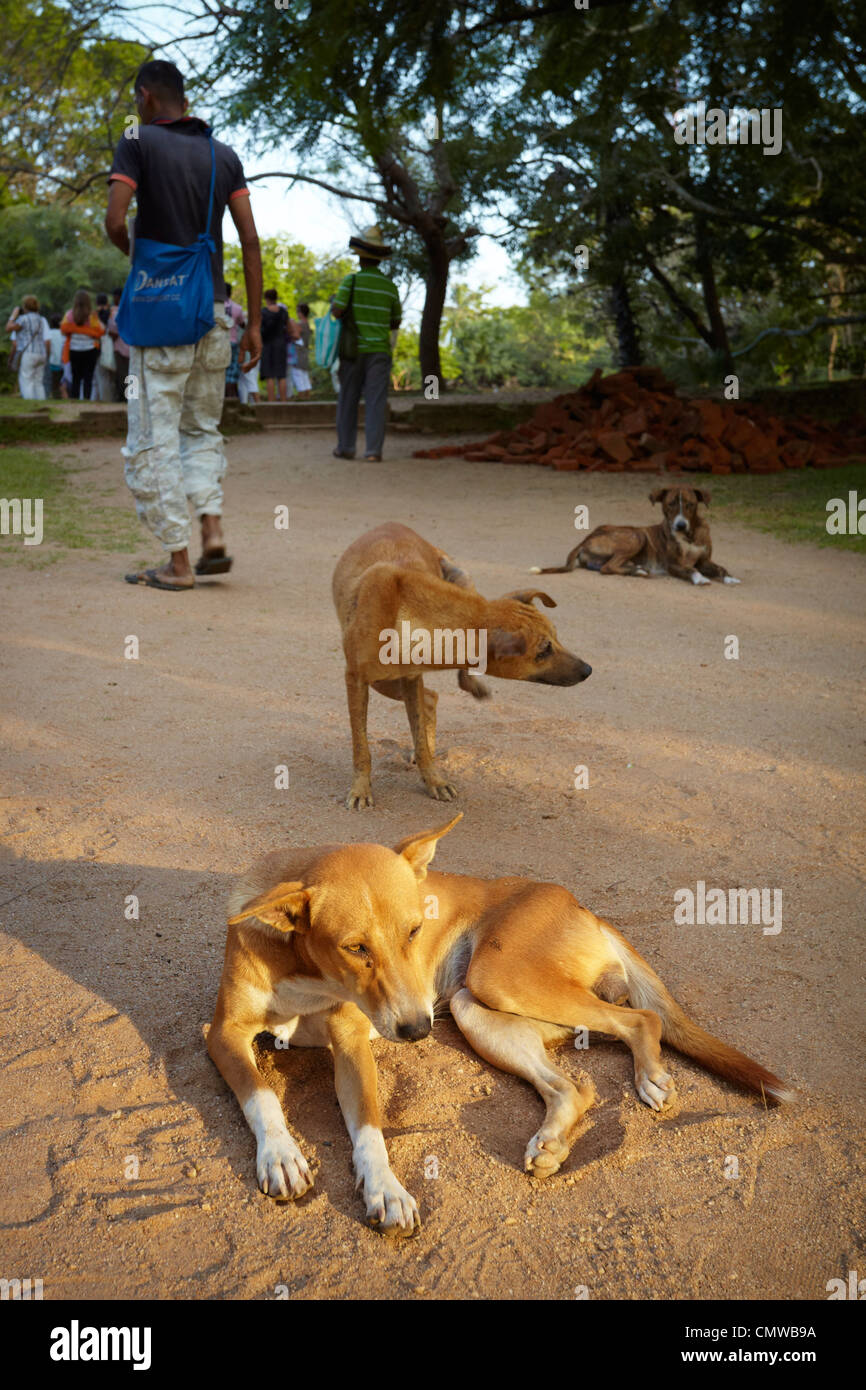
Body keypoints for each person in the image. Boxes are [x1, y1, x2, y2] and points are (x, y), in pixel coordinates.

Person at [104, 59, 262, 591]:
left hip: (162, 314)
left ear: (145, 97)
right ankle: (212, 530)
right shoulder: (224, 156)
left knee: (153, 438)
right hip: (214, 315)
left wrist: (138, 258)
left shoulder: (138, 142)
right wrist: (255, 325)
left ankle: (177, 562)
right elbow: (250, 241)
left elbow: (114, 219)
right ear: (183, 98)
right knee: (201, 429)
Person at [331, 225, 401, 461]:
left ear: (361, 258)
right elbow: (395, 322)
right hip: (380, 351)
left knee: (348, 399)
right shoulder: (391, 288)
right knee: (376, 402)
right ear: (380, 260)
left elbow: (337, 312)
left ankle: (346, 447)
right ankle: (373, 452)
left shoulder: (350, 282)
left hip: (353, 351)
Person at [61, 291, 105, 400]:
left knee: (76, 377)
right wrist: (88, 331)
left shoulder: (69, 315)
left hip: (74, 349)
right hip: (90, 349)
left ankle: (74, 400)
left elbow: (64, 329)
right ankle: (86, 399)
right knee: (88, 378)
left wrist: (76, 330)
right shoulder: (92, 316)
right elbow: (100, 331)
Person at [5, 296, 50, 400]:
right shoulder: (41, 319)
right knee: (38, 382)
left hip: (29, 353)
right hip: (41, 353)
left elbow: (8, 328)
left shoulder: (23, 319)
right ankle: (41, 403)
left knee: (26, 380)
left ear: (25, 306)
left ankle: (30, 404)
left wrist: (13, 316)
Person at [259, 289, 288, 401]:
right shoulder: (283, 312)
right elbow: (289, 328)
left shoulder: (263, 312)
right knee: (281, 375)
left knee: (269, 375)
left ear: (266, 298)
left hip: (267, 345)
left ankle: (271, 403)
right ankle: (284, 402)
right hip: (281, 344)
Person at [223, 281, 246, 398]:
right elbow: (242, 324)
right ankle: (231, 399)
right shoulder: (237, 308)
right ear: (230, 293)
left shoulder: (213, 306)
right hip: (232, 342)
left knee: (219, 373)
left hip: (218, 344)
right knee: (231, 374)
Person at [108, 287, 131, 401]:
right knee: (132, 374)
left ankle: (122, 399)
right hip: (133, 347)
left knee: (122, 375)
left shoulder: (115, 311)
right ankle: (133, 398)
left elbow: (113, 333)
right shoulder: (132, 308)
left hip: (120, 347)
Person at [94, 292, 116, 401]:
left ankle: (102, 399)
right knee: (108, 376)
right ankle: (108, 398)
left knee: (100, 376)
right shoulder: (110, 313)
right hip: (111, 348)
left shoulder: (94, 315)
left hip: (98, 347)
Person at [292, 302, 313, 397]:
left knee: (298, 375)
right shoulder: (307, 323)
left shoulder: (300, 324)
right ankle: (307, 396)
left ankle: (301, 396)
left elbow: (294, 335)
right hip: (304, 351)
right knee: (304, 375)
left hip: (298, 352)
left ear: (301, 312)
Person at [46, 314, 65, 398]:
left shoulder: (48, 334)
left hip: (51, 362)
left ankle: (50, 396)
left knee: (50, 383)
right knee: (59, 384)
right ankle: (58, 397)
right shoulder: (63, 334)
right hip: (62, 363)